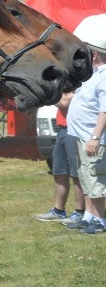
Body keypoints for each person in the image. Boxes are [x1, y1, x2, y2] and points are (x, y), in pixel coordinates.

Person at [64, 14, 106, 235]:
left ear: (96, 54)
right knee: (86, 177)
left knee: (96, 178)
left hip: (93, 137)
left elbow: (104, 110)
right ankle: (90, 215)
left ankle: (101, 220)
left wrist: (96, 136)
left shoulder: (104, 77)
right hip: (81, 135)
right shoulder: (93, 75)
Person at [34, 91, 85, 224]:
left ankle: (81, 212)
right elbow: (62, 100)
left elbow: (64, 102)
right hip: (62, 128)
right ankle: (58, 210)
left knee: (76, 173)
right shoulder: (68, 82)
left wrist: (49, 96)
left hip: (75, 129)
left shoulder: (80, 81)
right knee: (59, 171)